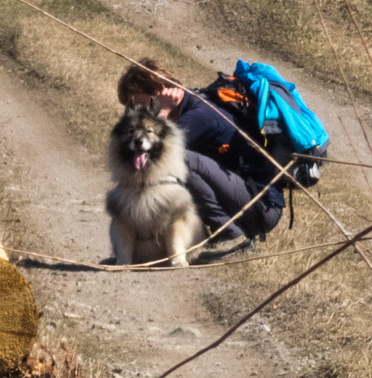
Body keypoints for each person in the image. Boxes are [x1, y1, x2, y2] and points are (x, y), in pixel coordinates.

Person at [116, 59, 283, 244]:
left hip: (259, 207)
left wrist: (161, 113)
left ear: (160, 90)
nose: (137, 112)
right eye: (131, 107)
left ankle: (231, 235)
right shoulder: (186, 111)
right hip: (239, 199)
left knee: (179, 160)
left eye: (139, 104)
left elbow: (159, 154)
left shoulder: (200, 115)